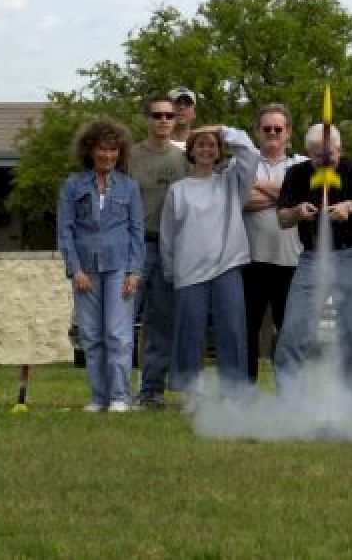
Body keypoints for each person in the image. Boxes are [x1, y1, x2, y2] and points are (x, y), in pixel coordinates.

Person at [275, 123, 352, 391]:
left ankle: (347, 399)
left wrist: (351, 206)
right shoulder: (296, 174)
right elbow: (282, 219)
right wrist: (298, 212)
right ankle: (288, 400)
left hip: (351, 256)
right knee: (293, 330)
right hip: (311, 259)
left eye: (330, 155)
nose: (324, 161)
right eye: (317, 156)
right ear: (308, 153)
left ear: (339, 149)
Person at [160, 125, 258, 406]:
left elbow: (249, 152)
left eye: (211, 145)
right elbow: (168, 236)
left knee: (232, 331)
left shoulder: (231, 183)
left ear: (219, 151)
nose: (206, 150)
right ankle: (192, 392)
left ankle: (232, 392)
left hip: (227, 266)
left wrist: (220, 130)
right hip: (189, 271)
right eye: (199, 145)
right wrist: (171, 271)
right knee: (189, 333)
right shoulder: (178, 190)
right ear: (190, 151)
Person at [57, 117, 144, 413]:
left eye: (113, 150)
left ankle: (120, 397)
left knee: (118, 335)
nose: (108, 155)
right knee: (91, 336)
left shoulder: (130, 187)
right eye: (102, 149)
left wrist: (135, 271)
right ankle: (99, 398)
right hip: (86, 271)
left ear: (120, 153)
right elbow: (65, 230)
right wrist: (75, 268)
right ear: (90, 151)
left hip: (120, 267)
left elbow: (136, 232)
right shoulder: (72, 186)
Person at [240, 103, 305, 385]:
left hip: (290, 261)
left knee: (289, 329)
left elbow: (303, 196)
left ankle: (289, 390)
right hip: (249, 259)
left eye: (278, 129)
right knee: (247, 329)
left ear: (288, 132)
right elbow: (240, 200)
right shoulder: (244, 163)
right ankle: (245, 391)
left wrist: (260, 187)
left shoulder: (301, 164)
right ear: (257, 131)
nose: (272, 134)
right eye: (266, 129)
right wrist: (284, 195)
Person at [130, 94, 187, 409]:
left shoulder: (184, 159)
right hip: (135, 246)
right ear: (147, 119)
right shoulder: (131, 156)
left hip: (170, 248)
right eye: (157, 115)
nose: (163, 121)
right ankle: (115, 389)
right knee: (123, 319)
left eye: (169, 116)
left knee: (161, 322)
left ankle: (152, 390)